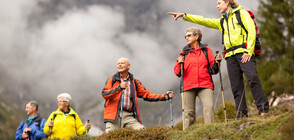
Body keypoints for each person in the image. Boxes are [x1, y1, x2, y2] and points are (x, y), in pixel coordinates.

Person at [168, 0, 269, 118]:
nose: (217, 6)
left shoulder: (242, 14)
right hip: (230, 57)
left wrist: (249, 51)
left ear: (227, 2)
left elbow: (252, 32)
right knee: (236, 86)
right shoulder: (222, 21)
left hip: (244, 52)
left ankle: (263, 109)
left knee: (253, 79)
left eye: (219, 3)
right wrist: (185, 16)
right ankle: (241, 114)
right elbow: (204, 20)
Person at [102, 57, 173, 132]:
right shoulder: (111, 80)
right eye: (118, 64)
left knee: (142, 131)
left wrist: (165, 96)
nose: (119, 65)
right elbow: (105, 94)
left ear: (128, 66)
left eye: (122, 63)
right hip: (114, 116)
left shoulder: (134, 82)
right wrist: (119, 87)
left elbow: (147, 95)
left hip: (129, 116)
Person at [174, 27, 222, 130]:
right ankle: (188, 136)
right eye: (185, 36)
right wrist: (179, 62)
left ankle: (210, 132)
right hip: (188, 86)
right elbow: (177, 72)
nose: (186, 38)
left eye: (189, 35)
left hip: (205, 85)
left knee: (209, 108)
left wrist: (218, 62)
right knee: (189, 113)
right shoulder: (184, 52)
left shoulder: (206, 50)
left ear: (196, 37)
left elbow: (214, 70)